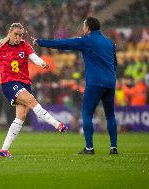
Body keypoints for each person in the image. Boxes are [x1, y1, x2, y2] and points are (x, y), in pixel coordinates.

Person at [0, 23, 68, 157]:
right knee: (32, 101)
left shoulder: (24, 45)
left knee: (21, 117)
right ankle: (58, 125)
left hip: (25, 83)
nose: (19, 37)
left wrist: (41, 62)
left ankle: (3, 150)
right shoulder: (0, 47)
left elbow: (33, 56)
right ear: (10, 33)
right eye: (16, 34)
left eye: (21, 35)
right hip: (9, 83)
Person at [33, 17, 118, 155]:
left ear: (88, 27)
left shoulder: (86, 40)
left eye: (84, 25)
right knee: (110, 115)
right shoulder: (109, 42)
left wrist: (41, 42)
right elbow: (115, 64)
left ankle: (89, 148)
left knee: (87, 114)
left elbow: (63, 44)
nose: (83, 28)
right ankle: (113, 147)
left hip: (95, 82)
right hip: (110, 82)